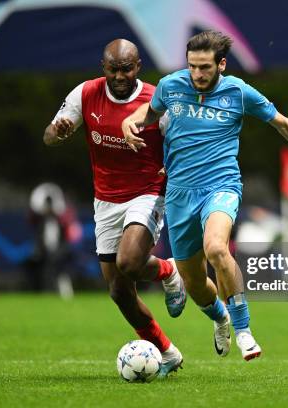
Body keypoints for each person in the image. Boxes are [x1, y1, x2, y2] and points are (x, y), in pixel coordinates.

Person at [122, 31, 288, 361]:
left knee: (217, 248)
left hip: (221, 186)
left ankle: (244, 329)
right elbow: (148, 112)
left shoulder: (239, 92)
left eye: (204, 67)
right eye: (192, 67)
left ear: (221, 64)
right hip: (178, 193)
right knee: (195, 284)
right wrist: (130, 122)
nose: (197, 74)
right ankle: (220, 317)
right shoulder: (170, 85)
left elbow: (282, 124)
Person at [43, 39, 185, 377]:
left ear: (138, 67)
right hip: (105, 199)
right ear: (103, 67)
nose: (120, 75)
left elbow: (180, 143)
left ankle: (167, 271)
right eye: (113, 69)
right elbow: (49, 136)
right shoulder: (86, 94)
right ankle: (167, 352)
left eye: (127, 68)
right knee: (119, 291)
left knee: (129, 262)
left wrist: (173, 166)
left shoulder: (155, 99)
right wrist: (58, 132)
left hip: (148, 192)